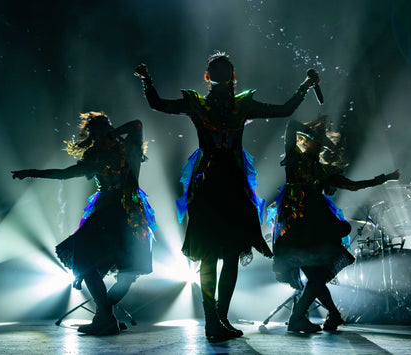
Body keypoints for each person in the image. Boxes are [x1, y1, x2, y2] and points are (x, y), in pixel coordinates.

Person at [134, 51, 319, 341]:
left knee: (219, 255)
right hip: (221, 184)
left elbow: (158, 103)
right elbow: (284, 110)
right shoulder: (220, 104)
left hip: (219, 185)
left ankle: (217, 319)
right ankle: (215, 320)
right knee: (223, 255)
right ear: (224, 77)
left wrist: (147, 80)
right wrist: (304, 87)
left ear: (212, 77)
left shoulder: (221, 105)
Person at [12, 113, 155, 335]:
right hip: (111, 214)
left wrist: (112, 133)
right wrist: (32, 173)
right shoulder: (96, 156)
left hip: (125, 214)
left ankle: (104, 318)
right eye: (96, 131)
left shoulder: (128, 149)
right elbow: (65, 174)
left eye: (104, 129)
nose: (99, 135)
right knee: (88, 264)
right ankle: (105, 318)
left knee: (125, 271)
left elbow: (137, 124)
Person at [268, 117, 400, 333]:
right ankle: (306, 317)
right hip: (296, 226)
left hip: (317, 226)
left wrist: (385, 178)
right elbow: (291, 125)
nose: (320, 144)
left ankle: (324, 316)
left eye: (321, 141)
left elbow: (353, 185)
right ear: (307, 141)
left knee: (316, 277)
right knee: (316, 277)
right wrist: (313, 132)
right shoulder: (294, 158)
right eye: (316, 140)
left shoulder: (324, 171)